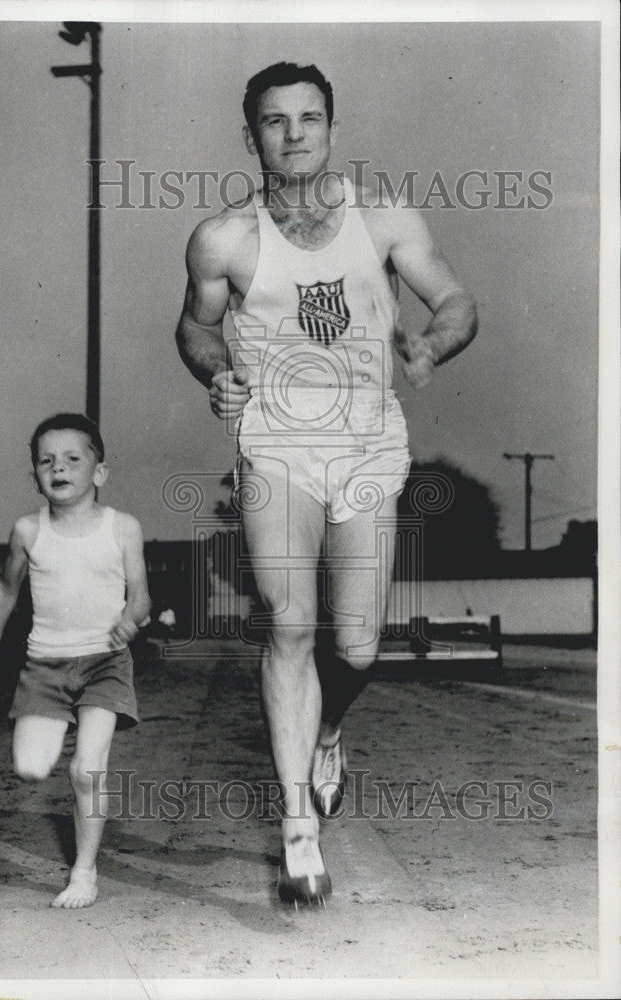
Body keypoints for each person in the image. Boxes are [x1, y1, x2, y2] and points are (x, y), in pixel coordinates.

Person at [175, 62, 477, 905]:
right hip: (275, 443)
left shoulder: (383, 219)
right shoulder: (223, 239)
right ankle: (298, 827)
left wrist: (430, 344)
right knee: (288, 621)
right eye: (275, 121)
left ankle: (329, 731)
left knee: (358, 647)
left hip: (367, 444)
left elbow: (455, 298)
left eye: (310, 118)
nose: (294, 133)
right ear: (251, 136)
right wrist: (216, 372)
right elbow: (196, 329)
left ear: (332, 129)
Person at [0, 413, 150, 909]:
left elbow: (141, 598)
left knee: (85, 770)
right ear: (35, 474)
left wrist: (129, 620)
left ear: (99, 472)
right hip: (45, 667)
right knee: (31, 768)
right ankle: (53, 732)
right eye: (47, 460)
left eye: (74, 459)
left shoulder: (123, 528)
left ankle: (84, 872)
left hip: (105, 661)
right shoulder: (28, 531)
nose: (60, 468)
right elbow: (6, 589)